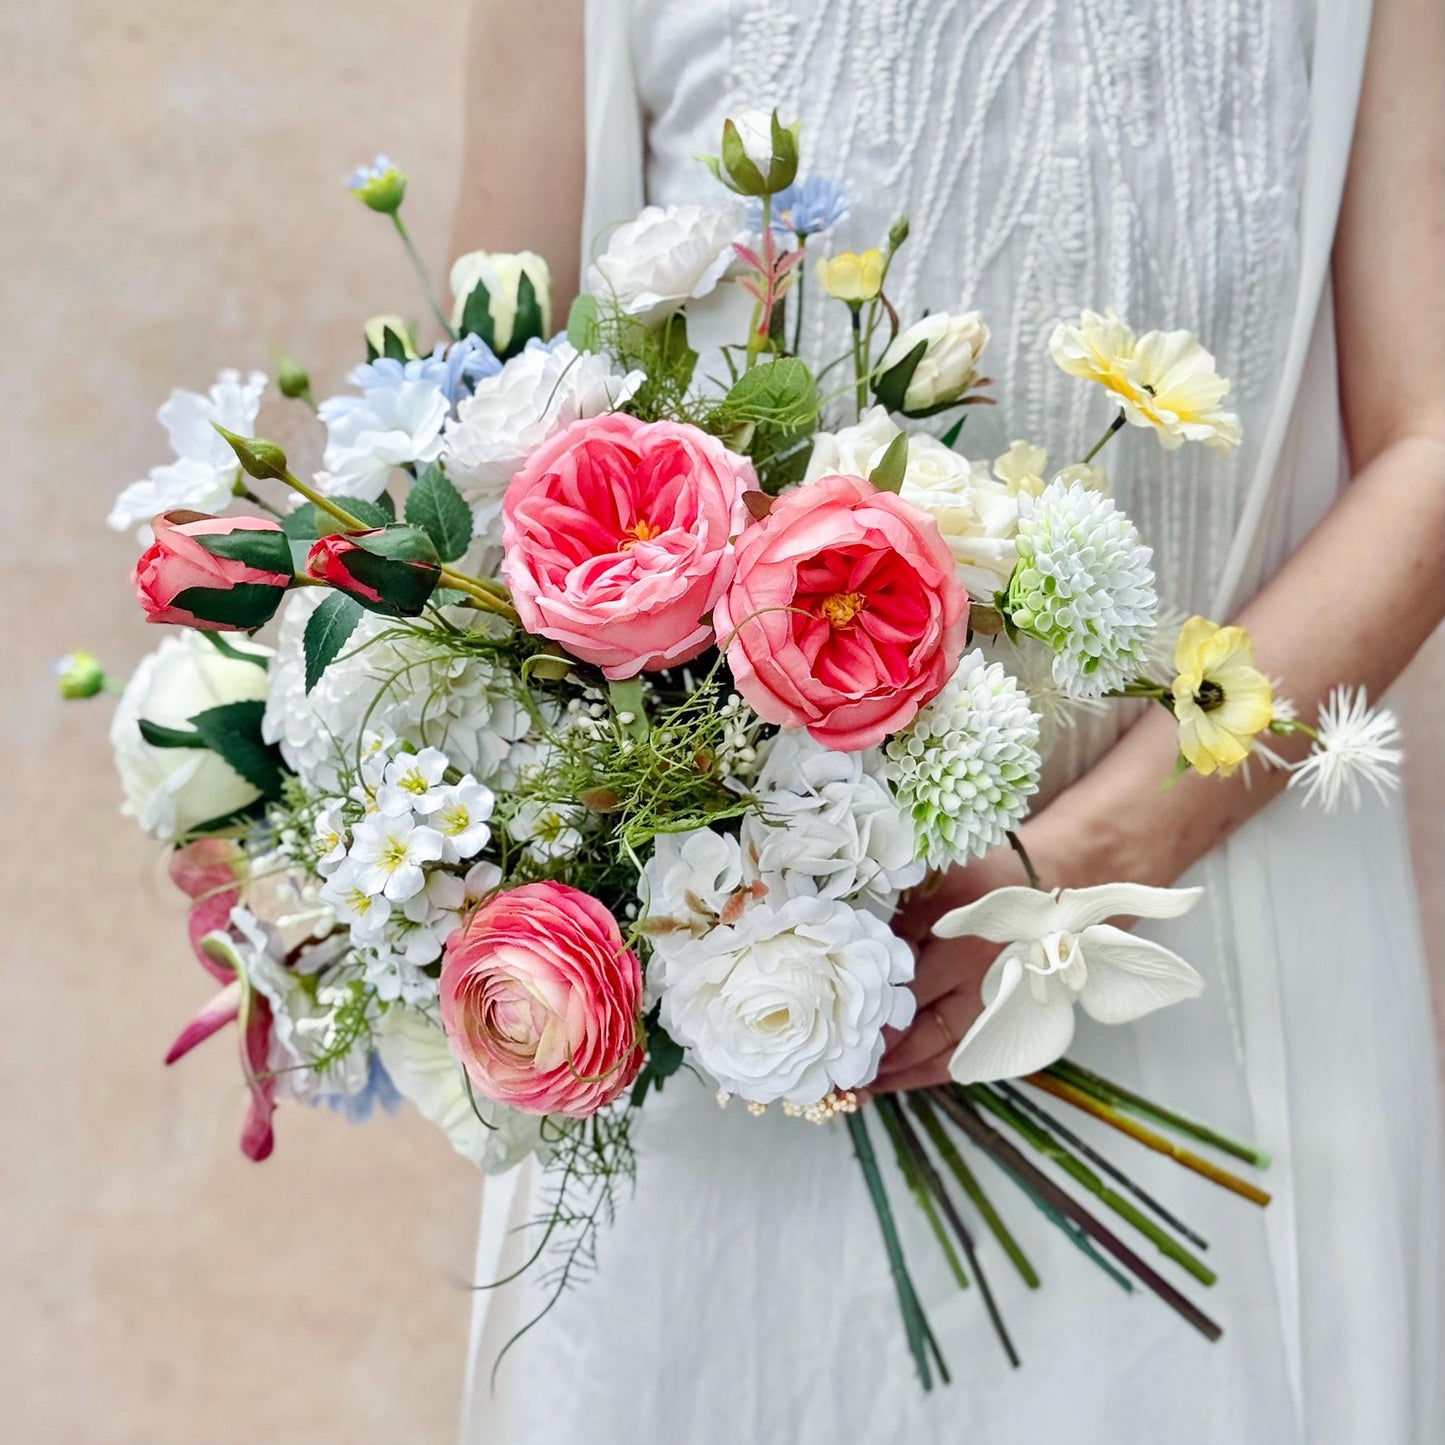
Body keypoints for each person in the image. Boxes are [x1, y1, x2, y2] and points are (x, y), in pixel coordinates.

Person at [453, 2, 1444, 1440]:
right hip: (733, 979)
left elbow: (1430, 444)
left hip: (1205, 934)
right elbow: (479, 412)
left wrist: (1069, 875)